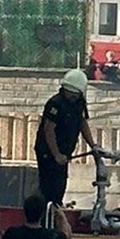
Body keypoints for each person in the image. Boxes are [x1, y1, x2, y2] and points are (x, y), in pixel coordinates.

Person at [34, 69, 97, 206]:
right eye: (70, 93)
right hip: (48, 151)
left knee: (60, 185)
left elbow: (82, 123)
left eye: (75, 94)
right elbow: (49, 130)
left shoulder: (79, 103)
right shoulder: (55, 103)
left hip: (64, 152)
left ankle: (57, 207)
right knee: (49, 187)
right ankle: (48, 211)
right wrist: (56, 154)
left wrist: (93, 145)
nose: (72, 96)